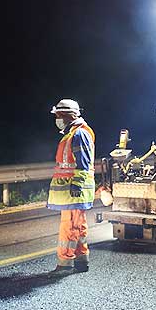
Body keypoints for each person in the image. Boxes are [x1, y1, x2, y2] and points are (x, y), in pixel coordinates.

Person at [48, 99, 95, 274]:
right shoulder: (72, 133)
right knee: (79, 225)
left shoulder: (79, 134)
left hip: (74, 191)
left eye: (59, 115)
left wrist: (77, 184)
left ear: (70, 115)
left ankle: (65, 263)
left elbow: (83, 163)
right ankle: (82, 260)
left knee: (70, 226)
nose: (57, 119)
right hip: (72, 191)